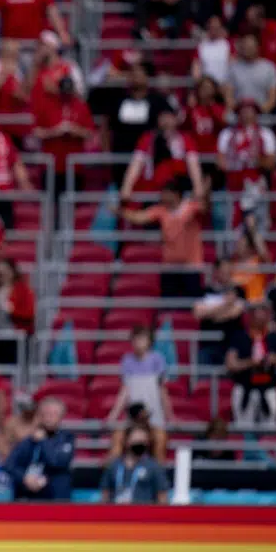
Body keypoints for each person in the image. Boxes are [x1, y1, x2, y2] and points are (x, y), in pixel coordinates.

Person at [119, 182, 206, 300]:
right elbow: (139, 217)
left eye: (165, 194)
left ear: (175, 194)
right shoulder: (160, 211)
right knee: (168, 304)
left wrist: (205, 187)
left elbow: (206, 207)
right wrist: (121, 212)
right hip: (169, 265)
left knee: (193, 303)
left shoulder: (192, 207)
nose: (162, 196)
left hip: (191, 266)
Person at [107, 325, 174, 461]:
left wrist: (170, 415)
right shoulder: (127, 360)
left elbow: (162, 390)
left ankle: (157, 476)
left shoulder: (157, 359)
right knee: (118, 437)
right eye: (136, 339)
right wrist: (113, 415)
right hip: (132, 415)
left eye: (142, 339)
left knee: (160, 439)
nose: (138, 342)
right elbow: (124, 391)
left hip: (154, 415)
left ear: (149, 341)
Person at [226, 301, 276, 427]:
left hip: (268, 388)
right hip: (245, 387)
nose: (259, 317)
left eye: (263, 313)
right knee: (243, 428)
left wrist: (274, 359)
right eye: (255, 313)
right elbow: (231, 364)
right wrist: (250, 362)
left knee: (270, 428)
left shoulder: (275, 338)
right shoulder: (239, 337)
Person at [3, 397, 75, 501]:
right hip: (30, 496)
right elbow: (9, 464)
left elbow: (56, 462)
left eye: (53, 414)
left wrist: (43, 441)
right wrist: (25, 478)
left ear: (61, 416)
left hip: (56, 498)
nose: (48, 417)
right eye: (45, 413)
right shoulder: (30, 440)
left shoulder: (67, 438)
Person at [99, 426, 168, 504]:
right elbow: (105, 494)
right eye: (136, 441)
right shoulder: (113, 465)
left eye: (143, 441)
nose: (139, 444)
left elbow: (162, 497)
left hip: (143, 513)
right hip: (116, 513)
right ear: (127, 441)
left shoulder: (154, 467)